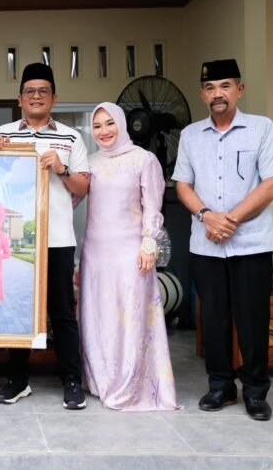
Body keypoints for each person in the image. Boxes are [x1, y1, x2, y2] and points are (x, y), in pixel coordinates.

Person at [173, 59, 273, 421]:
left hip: (251, 244)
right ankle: (220, 386)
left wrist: (230, 220)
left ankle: (255, 391)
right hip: (205, 245)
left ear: (240, 89)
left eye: (225, 86)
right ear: (202, 94)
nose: (217, 93)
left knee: (253, 320)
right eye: (210, 87)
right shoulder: (190, 135)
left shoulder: (261, 128)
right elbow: (182, 185)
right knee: (214, 319)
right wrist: (207, 216)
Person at [0, 63, 90, 408]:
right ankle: (18, 381)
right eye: (29, 91)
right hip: (17, 240)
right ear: (19, 99)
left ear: (54, 98)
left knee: (62, 313)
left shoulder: (71, 137)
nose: (36, 96)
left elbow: (83, 187)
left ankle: (71, 380)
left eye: (43, 91)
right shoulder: (3, 134)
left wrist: (61, 168)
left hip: (58, 238)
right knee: (18, 310)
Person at [78, 102, 180, 411]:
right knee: (97, 317)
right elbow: (69, 199)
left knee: (130, 317)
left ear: (122, 124)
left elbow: (153, 205)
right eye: (97, 126)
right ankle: (101, 380)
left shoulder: (143, 159)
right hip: (95, 254)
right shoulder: (90, 163)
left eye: (110, 123)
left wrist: (149, 243)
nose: (104, 131)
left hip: (130, 253)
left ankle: (130, 384)